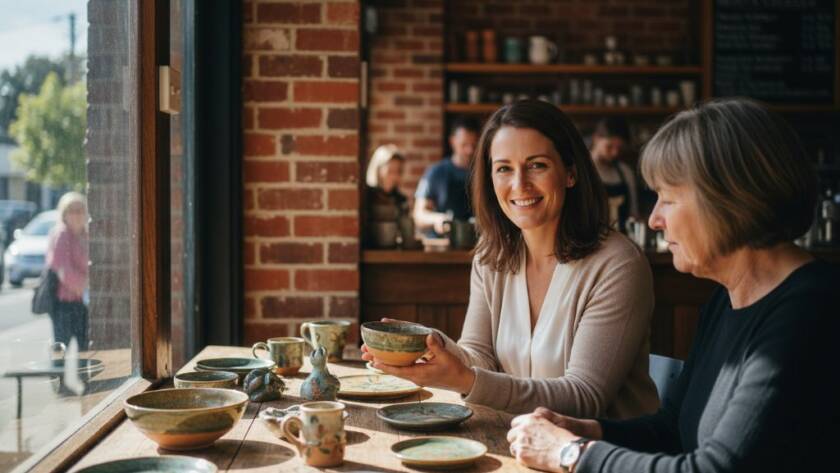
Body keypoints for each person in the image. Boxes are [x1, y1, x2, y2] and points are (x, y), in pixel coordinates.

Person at [507, 98, 839, 473]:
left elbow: (715, 469)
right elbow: (672, 431)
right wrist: (585, 431)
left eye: (667, 198)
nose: (654, 220)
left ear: (728, 199)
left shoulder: (812, 310)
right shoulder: (725, 300)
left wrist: (570, 453)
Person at [364, 100, 659, 418]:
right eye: (504, 168)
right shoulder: (491, 257)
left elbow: (584, 397)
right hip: (519, 446)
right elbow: (479, 356)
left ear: (570, 172)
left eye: (537, 165)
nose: (519, 184)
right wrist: (431, 345)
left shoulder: (617, 265)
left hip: (601, 457)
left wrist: (467, 379)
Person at [413, 117, 480, 236]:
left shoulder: (485, 173)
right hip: (443, 243)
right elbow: (418, 215)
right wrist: (437, 219)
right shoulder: (436, 172)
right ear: (452, 141)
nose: (470, 150)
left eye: (473, 145)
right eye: (464, 145)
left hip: (477, 243)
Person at [46, 192, 89, 351]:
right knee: (60, 352)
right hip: (65, 304)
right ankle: (57, 377)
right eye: (72, 210)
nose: (77, 214)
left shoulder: (86, 235)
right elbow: (62, 268)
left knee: (86, 352)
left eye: (81, 210)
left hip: (84, 304)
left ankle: (85, 377)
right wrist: (84, 285)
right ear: (64, 214)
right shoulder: (62, 234)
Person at [589, 117, 639, 229]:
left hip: (622, 238)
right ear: (596, 139)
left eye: (619, 148)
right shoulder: (582, 169)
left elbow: (634, 213)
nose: (615, 153)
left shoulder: (625, 172)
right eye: (609, 146)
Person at [365, 144, 408, 214]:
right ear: (378, 170)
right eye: (390, 171)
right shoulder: (366, 198)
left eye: (398, 171)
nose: (394, 176)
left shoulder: (400, 200)